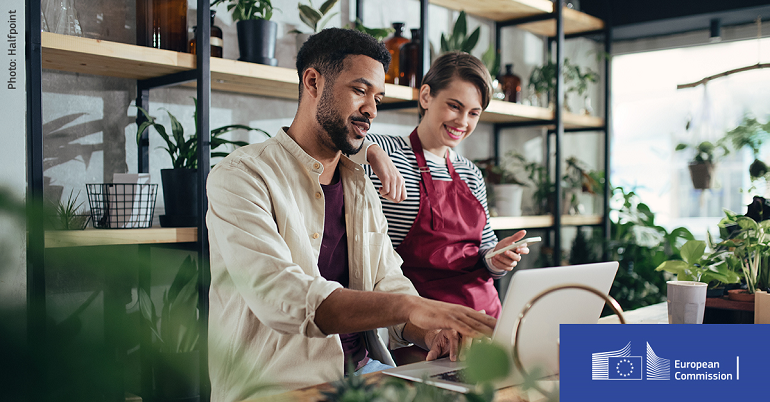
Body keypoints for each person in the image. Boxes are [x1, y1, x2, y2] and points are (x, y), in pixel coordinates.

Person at [205, 29, 496, 401]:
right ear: (313, 82)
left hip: (366, 377)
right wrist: (414, 305)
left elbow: (388, 280)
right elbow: (283, 296)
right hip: (281, 388)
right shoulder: (242, 176)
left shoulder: (358, 183)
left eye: (377, 97)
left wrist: (430, 333)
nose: (372, 110)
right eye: (360, 91)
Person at [353, 51, 530, 321]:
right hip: (421, 323)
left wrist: (497, 258)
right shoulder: (385, 151)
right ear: (426, 96)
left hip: (485, 315)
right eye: (454, 106)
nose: (463, 122)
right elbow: (335, 145)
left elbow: (485, 249)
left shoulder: (470, 172)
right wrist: (374, 153)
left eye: (474, 113)